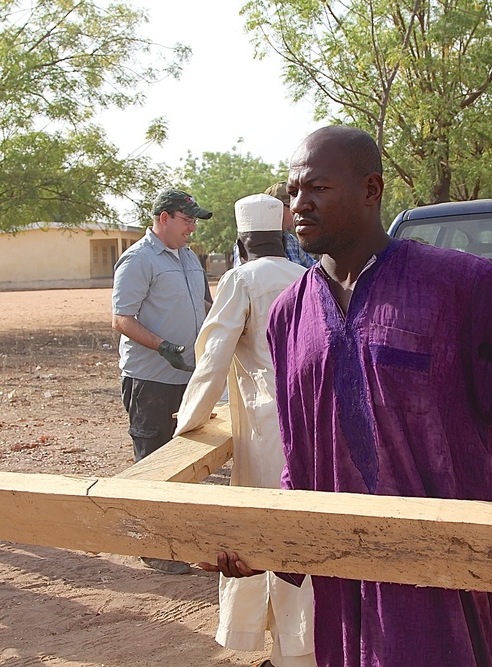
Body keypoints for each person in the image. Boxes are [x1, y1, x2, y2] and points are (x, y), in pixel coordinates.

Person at [203, 126, 492, 666]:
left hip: (454, 573)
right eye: (293, 192)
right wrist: (270, 546)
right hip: (349, 587)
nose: (299, 204)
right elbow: (301, 458)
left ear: (371, 189)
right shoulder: (290, 313)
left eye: (318, 188)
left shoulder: (453, 283)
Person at [176, 194, 313, 667]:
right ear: (282, 237)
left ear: (240, 243)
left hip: (266, 429)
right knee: (304, 534)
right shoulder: (307, 276)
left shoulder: (241, 279)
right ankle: (301, 649)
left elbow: (213, 359)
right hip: (312, 425)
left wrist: (188, 423)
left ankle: (291, 656)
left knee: (265, 537)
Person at [111, 188, 212, 574]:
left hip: (188, 377)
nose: (192, 229)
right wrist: (162, 346)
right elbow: (122, 318)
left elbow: (202, 305)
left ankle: (181, 538)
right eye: (188, 220)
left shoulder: (189, 258)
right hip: (151, 380)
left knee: (184, 460)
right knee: (153, 461)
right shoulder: (138, 259)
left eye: (194, 222)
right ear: (164, 218)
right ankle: (153, 547)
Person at [233, 182, 315, 269]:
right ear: (277, 208)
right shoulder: (247, 243)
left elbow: (314, 269)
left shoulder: (291, 241)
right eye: (292, 207)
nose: (297, 213)